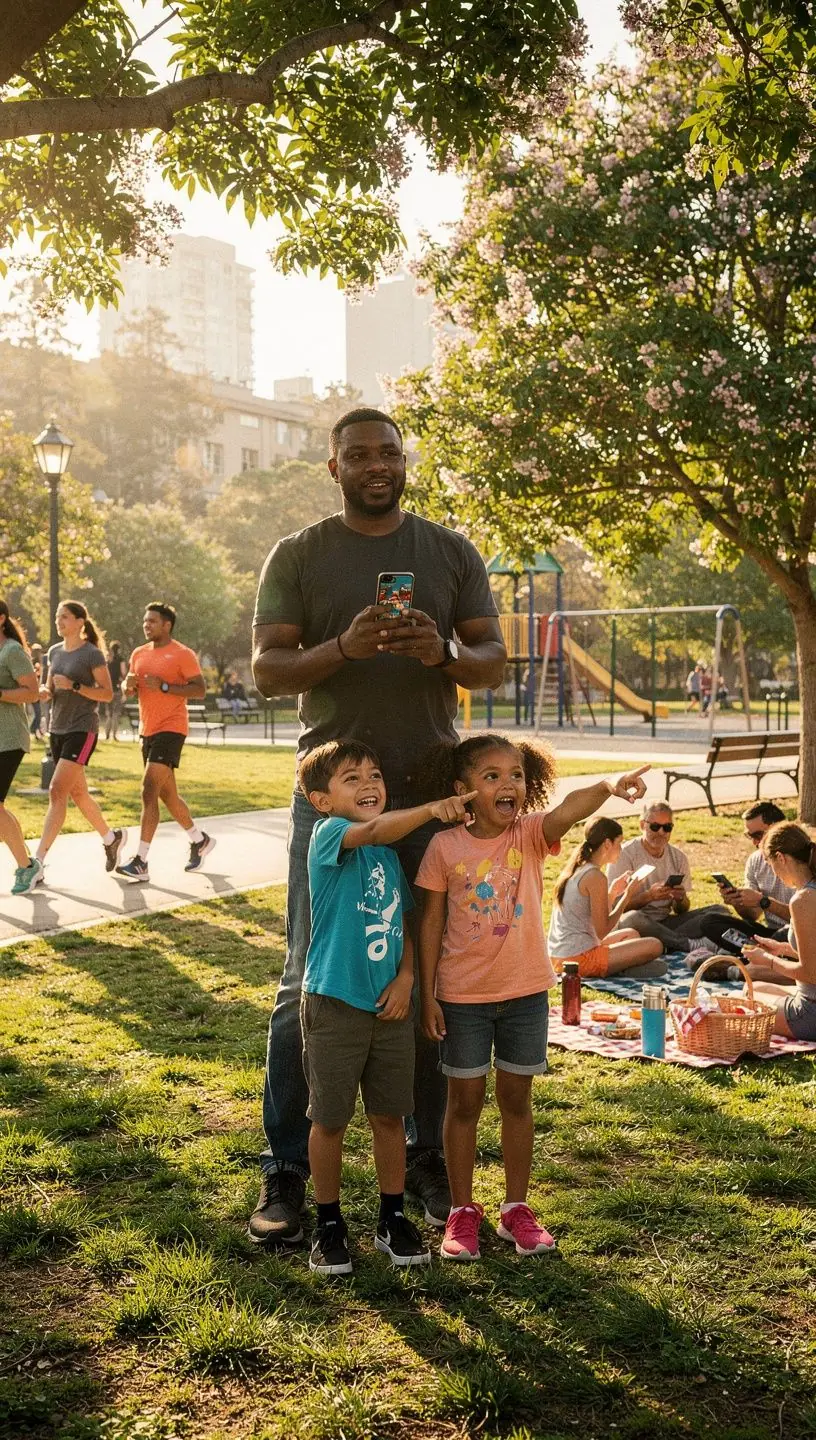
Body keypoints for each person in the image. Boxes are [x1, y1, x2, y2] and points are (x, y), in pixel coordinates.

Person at [249, 407, 507, 1246]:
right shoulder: (299, 555)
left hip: (432, 796)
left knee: (429, 979)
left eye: (388, 453)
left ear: (404, 462)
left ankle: (427, 1161)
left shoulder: (449, 552)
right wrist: (345, 649)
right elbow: (266, 670)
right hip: (333, 799)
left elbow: (492, 661)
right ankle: (286, 1169)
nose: (375, 465)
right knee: (304, 982)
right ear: (333, 467)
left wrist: (440, 655)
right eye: (358, 454)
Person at [416, 733, 650, 1261]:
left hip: (525, 995)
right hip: (462, 998)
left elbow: (570, 807)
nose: (508, 784)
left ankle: (516, 1210)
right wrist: (429, 993)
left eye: (516, 775)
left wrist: (611, 785)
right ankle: (461, 1211)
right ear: (463, 789)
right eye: (492, 776)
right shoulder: (443, 847)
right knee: (465, 1103)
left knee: (516, 1101)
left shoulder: (529, 835)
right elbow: (429, 925)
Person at [299, 738, 474, 1274]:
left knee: (390, 1117)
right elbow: (373, 828)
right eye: (352, 778)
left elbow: (399, 924)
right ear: (321, 800)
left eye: (375, 774)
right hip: (334, 1002)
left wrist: (406, 979)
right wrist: (433, 810)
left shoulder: (388, 857)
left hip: (390, 1009)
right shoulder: (330, 836)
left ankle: (391, 1217)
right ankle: (328, 1223)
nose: (370, 784)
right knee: (330, 1119)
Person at [24, 600, 123, 889]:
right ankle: (110, 838)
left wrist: (76, 686)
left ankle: (37, 863)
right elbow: (50, 689)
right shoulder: (54, 652)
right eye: (57, 617)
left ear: (81, 621)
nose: (59, 621)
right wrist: (43, 692)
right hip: (57, 728)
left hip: (82, 729)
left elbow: (106, 694)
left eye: (64, 617)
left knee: (56, 790)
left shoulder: (92, 654)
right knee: (78, 794)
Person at [117, 603, 214, 881]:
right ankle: (199, 840)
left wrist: (165, 686)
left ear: (167, 624)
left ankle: (141, 861)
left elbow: (199, 689)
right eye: (145, 621)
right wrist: (128, 685)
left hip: (171, 729)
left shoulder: (183, 654)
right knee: (166, 795)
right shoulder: (138, 653)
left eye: (152, 621)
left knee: (148, 790)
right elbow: (129, 687)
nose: (146, 625)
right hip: (147, 731)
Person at [607, 802, 728, 959]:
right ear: (642, 825)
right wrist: (648, 897)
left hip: (667, 923)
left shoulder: (678, 857)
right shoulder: (624, 854)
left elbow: (682, 910)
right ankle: (686, 944)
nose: (661, 833)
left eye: (667, 827)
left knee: (719, 911)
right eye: (655, 827)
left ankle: (666, 943)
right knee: (632, 918)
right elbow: (614, 909)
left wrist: (680, 898)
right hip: (637, 924)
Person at [548, 817, 665, 978]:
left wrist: (612, 893)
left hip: (561, 955)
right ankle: (623, 969)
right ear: (607, 844)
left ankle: (623, 967)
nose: (621, 849)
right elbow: (602, 931)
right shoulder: (595, 876)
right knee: (655, 945)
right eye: (619, 844)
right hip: (577, 960)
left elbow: (591, 918)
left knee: (631, 934)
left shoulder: (580, 869)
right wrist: (626, 896)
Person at [745, 822, 816, 1040]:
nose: (774, 874)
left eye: (771, 865)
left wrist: (768, 960)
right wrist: (783, 948)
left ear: (781, 858)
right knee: (754, 988)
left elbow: (810, 973)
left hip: (808, 1013)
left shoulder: (803, 900)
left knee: (742, 1002)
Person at [698, 801, 794, 960]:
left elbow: (807, 918)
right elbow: (752, 915)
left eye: (758, 835)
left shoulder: (799, 860)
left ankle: (756, 957)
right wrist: (738, 901)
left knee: (784, 934)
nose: (755, 842)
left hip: (799, 933)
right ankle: (759, 955)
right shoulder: (756, 860)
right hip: (769, 934)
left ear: (778, 829)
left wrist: (764, 902)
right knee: (710, 922)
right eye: (750, 835)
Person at [0, 601, 42, 894]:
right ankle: (29, 862)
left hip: (9, 738)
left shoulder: (12, 651)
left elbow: (33, 692)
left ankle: (26, 867)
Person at [104, 641, 127, 740]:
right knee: (116, 713)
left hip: (108, 689)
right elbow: (123, 672)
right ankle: (114, 735)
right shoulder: (120, 660)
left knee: (108, 714)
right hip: (117, 689)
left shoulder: (107, 660)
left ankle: (107, 735)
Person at [28, 642, 45, 740]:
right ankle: (33, 729)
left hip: (37, 691)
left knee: (38, 713)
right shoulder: (36, 663)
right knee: (38, 713)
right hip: (34, 692)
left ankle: (36, 731)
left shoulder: (36, 662)